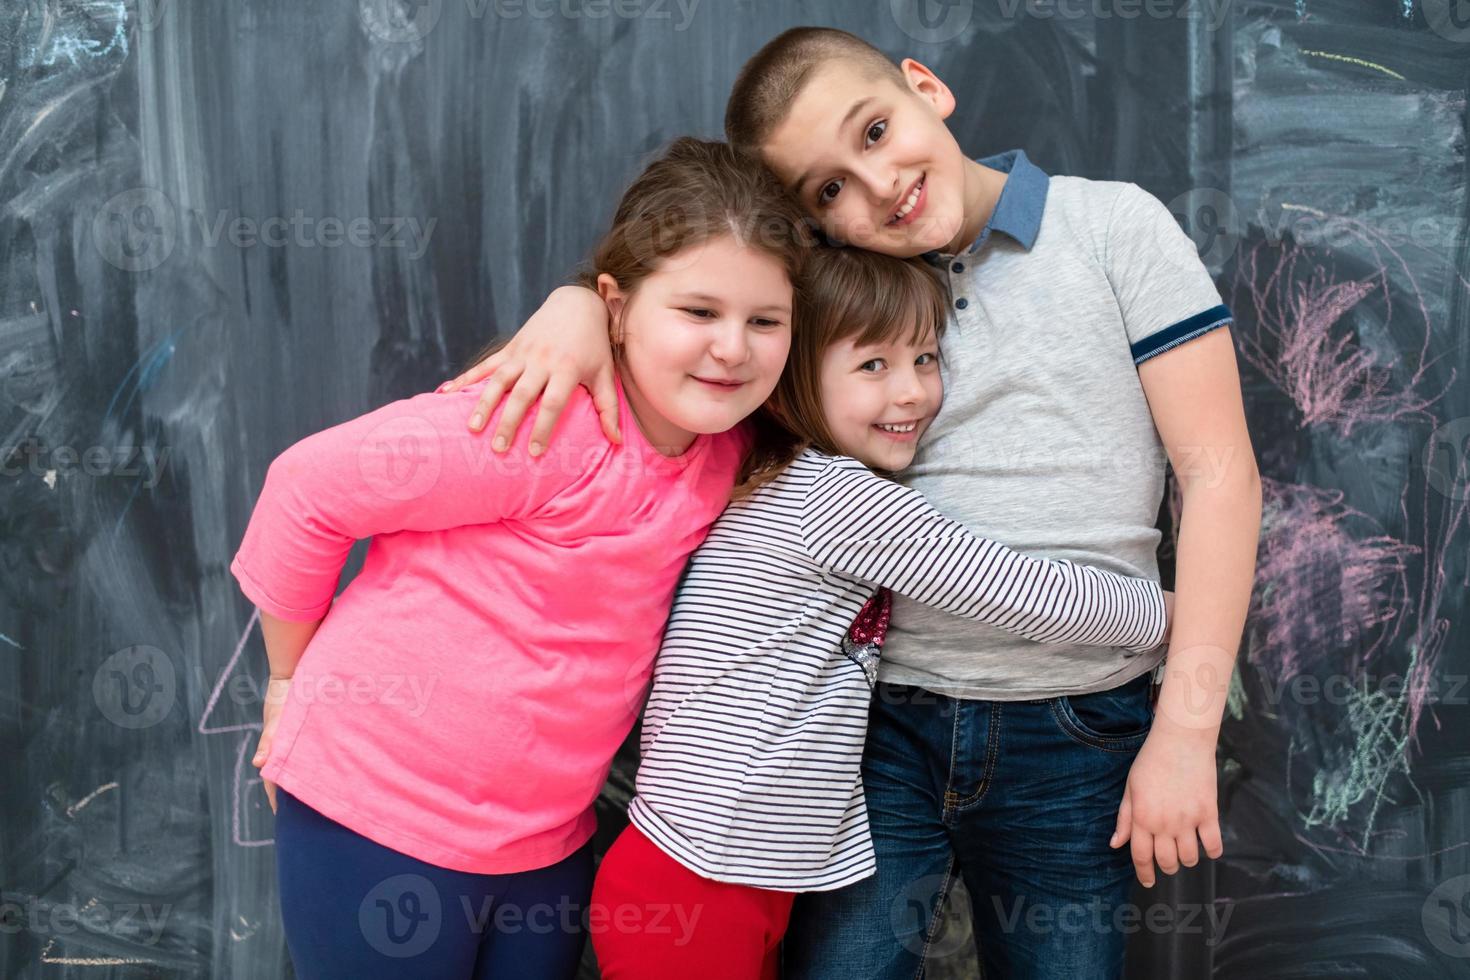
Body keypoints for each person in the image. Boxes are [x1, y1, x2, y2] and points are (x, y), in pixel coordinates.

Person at [440, 27, 1261, 980]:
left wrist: (1189, 730)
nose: (878, 189)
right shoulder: (821, 296)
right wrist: (580, 303)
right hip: (872, 734)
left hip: (1076, 726)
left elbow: (1220, 477)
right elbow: (695, 287)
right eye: (828, 190)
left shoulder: (1113, 228)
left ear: (925, 88)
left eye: (874, 132)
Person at [229, 136, 810, 979]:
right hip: (376, 813)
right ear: (617, 307)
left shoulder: (732, 454)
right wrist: (286, 679)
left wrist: (574, 300)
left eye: (764, 322)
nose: (732, 348)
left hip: (544, 843)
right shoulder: (539, 423)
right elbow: (305, 490)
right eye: (699, 312)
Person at [588, 243, 1174, 980]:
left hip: (729, 871)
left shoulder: (775, 471)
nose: (913, 393)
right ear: (795, 377)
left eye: (925, 359)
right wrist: (1172, 614)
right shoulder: (835, 498)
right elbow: (1020, 590)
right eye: (873, 366)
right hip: (699, 883)